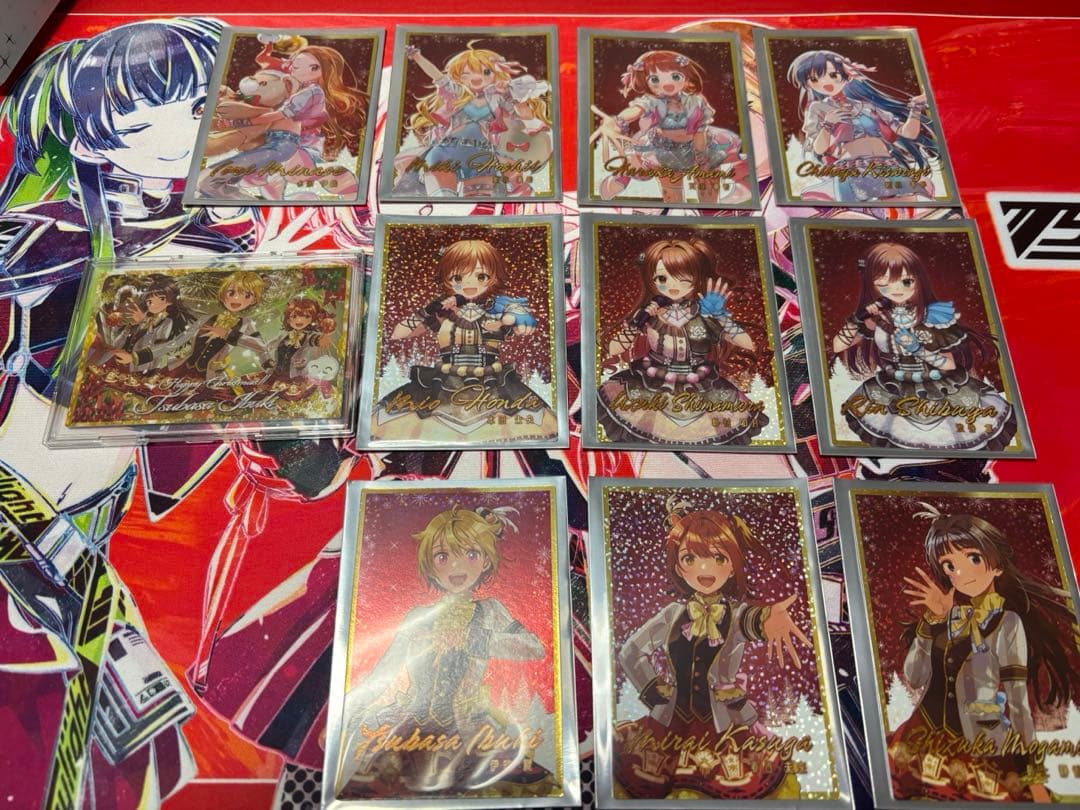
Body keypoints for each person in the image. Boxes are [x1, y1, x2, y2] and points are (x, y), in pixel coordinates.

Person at [0, 17, 252, 810]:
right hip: (27, 473)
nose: (197, 129)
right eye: (157, 118)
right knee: (51, 664)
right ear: (93, 137)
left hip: (98, 486)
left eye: (205, 105)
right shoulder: (43, 237)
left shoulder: (219, 224)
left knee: (84, 681)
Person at [337, 505, 551, 797]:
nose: (456, 567)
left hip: (468, 727)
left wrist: (475, 638)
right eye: (443, 557)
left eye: (471, 554)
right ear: (430, 565)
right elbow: (383, 674)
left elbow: (534, 648)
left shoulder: (491, 611)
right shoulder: (418, 617)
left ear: (486, 560)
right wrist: (346, 714)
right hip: (412, 727)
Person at [615, 499, 808, 799]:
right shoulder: (672, 616)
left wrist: (769, 618)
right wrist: (652, 688)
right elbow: (630, 651)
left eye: (718, 557)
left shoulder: (736, 614)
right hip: (671, 722)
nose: (705, 569)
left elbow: (752, 620)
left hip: (723, 723)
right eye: (691, 558)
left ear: (732, 568)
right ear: (678, 567)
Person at [894, 504, 1080, 800]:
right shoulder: (947, 616)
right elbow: (914, 677)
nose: (960, 573)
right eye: (949, 565)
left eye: (973, 558)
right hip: (920, 739)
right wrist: (931, 623)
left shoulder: (1008, 623)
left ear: (997, 566)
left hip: (977, 747)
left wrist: (1032, 775)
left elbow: (1017, 702)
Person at [831, 242, 1016, 452]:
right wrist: (857, 318)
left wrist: (917, 349)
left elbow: (949, 364)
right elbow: (838, 346)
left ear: (918, 280)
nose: (897, 289)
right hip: (893, 387)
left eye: (906, 281)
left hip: (939, 386)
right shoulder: (878, 319)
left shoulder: (934, 316)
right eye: (885, 283)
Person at [373, 239, 558, 442]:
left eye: (481, 276)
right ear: (447, 279)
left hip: (492, 383)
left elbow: (523, 327)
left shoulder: (498, 309)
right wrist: (427, 310)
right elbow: (398, 334)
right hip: (444, 383)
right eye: (458, 277)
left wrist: (513, 318)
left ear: (494, 278)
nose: (470, 285)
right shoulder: (442, 313)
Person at [600, 238, 767, 446]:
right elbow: (614, 348)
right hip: (650, 381)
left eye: (683, 278)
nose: (673, 286)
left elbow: (747, 343)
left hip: (700, 383)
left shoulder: (705, 312)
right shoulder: (649, 314)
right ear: (651, 279)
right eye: (662, 278)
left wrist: (721, 316)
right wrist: (638, 322)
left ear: (696, 277)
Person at [394, 42, 552, 197]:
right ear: (459, 77)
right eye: (466, 74)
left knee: (481, 200)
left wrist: (517, 98)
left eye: (486, 72)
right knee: (443, 197)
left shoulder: (500, 99)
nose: (476, 78)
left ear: (496, 74)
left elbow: (524, 117)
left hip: (482, 154)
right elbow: (438, 76)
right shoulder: (458, 95)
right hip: (447, 151)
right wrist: (418, 57)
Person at [591, 49, 747, 203]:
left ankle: (710, 215)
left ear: (686, 77)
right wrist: (617, 120)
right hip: (665, 150)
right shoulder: (652, 101)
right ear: (645, 83)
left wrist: (701, 154)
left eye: (675, 76)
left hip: (700, 145)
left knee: (709, 191)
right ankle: (623, 178)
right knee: (673, 198)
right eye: (655, 79)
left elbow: (700, 130)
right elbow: (635, 110)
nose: (667, 84)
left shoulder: (696, 100)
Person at [786, 49, 939, 203]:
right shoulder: (818, 108)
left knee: (910, 204)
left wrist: (916, 108)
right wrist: (827, 124)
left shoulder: (867, 106)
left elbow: (908, 133)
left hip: (888, 167)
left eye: (833, 75)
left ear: (847, 75)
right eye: (814, 79)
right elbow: (819, 149)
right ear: (808, 84)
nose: (825, 82)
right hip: (853, 171)